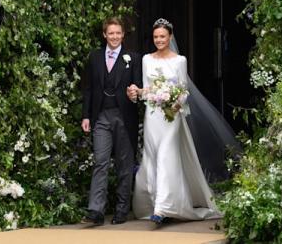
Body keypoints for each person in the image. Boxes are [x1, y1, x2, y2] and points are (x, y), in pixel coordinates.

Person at [127, 18, 237, 224]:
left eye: (162, 36)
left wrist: (175, 104)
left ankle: (162, 208)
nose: (159, 40)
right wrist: (136, 91)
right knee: (151, 156)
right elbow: (146, 89)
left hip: (172, 116)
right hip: (152, 115)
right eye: (155, 37)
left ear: (170, 37)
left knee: (166, 156)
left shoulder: (180, 60)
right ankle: (151, 203)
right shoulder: (146, 60)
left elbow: (183, 90)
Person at [79, 17, 143, 225]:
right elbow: (88, 89)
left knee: (125, 164)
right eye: (111, 33)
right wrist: (86, 115)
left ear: (123, 35)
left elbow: (139, 88)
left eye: (118, 33)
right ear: (104, 35)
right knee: (100, 161)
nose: (115, 36)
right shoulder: (95, 57)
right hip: (101, 117)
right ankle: (96, 210)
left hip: (124, 116)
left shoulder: (133, 58)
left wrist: (135, 94)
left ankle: (122, 209)